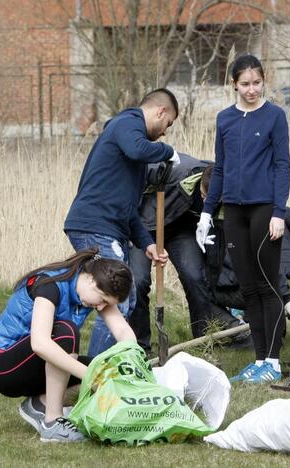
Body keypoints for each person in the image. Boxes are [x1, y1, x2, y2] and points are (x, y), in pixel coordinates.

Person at [197, 54, 290, 383]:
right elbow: (219, 168)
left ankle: (275, 361)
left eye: (257, 83)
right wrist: (207, 212)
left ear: (263, 81)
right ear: (234, 84)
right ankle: (259, 360)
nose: (252, 89)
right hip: (234, 212)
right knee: (248, 288)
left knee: (267, 286)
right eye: (245, 84)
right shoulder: (224, 119)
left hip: (264, 210)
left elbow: (283, 166)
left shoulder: (275, 117)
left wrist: (280, 212)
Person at [64, 89, 179, 357]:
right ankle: (93, 373)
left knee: (102, 296)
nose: (164, 132)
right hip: (95, 225)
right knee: (120, 295)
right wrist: (168, 151)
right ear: (160, 112)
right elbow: (139, 148)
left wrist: (147, 244)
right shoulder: (127, 123)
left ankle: (76, 364)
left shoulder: (131, 156)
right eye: (168, 124)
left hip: (104, 227)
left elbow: (129, 212)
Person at [0, 248, 135, 443]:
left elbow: (123, 332)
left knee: (107, 369)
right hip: (5, 368)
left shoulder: (94, 292)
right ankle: (52, 422)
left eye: (107, 304)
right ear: (91, 280)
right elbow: (40, 344)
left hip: (34, 365)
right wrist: (91, 376)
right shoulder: (50, 286)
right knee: (67, 333)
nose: (101, 307)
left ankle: (39, 404)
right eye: (103, 300)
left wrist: (133, 361)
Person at [127, 153, 250, 351]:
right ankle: (139, 346)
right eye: (204, 195)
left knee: (195, 277)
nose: (204, 200)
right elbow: (130, 181)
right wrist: (126, 225)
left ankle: (202, 340)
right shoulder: (175, 170)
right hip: (144, 227)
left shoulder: (226, 187)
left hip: (181, 231)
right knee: (138, 281)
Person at [200, 164, 290, 324]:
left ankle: (236, 330)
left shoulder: (228, 223)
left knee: (202, 289)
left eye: (205, 197)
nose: (204, 201)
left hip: (269, 287)